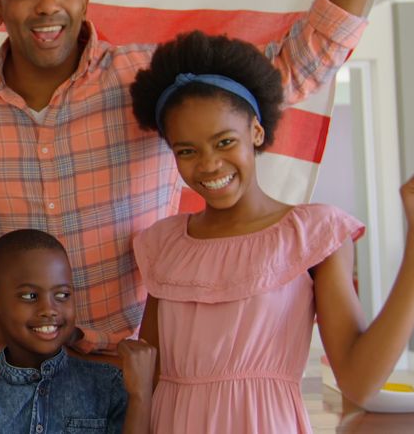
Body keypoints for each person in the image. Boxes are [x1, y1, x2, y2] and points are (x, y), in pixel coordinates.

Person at [0, 0, 414, 355]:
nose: (48, 5)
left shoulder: (143, 78)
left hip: (139, 368)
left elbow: (298, 65)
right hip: (17, 372)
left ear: (85, 1)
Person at [128, 31, 414, 433]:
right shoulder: (163, 244)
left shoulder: (313, 233)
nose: (209, 165)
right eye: (187, 151)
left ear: (256, 134)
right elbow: (150, 378)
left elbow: (358, 380)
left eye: (225, 141)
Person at [0, 229, 156, 434]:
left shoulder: (107, 385)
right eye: (30, 296)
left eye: (62, 295)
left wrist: (141, 395)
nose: (49, 309)